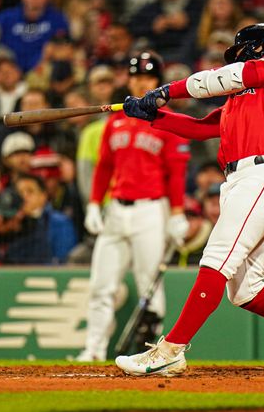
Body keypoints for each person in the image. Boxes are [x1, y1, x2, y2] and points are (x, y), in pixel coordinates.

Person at [115, 23, 264, 376]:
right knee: (245, 290)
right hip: (239, 180)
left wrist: (167, 90)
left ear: (260, 48)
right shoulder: (246, 98)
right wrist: (154, 115)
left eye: (243, 51)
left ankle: (171, 350)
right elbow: (202, 128)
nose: (239, 58)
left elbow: (226, 76)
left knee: (216, 259)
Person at [77, 50, 191, 361]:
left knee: (148, 286)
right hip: (116, 209)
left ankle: (151, 352)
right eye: (137, 76)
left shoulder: (165, 122)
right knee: (101, 284)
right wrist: (93, 204)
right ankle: (93, 349)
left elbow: (176, 173)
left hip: (151, 210)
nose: (142, 82)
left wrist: (177, 213)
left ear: (157, 82)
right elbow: (103, 168)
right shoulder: (116, 121)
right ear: (129, 79)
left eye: (149, 77)